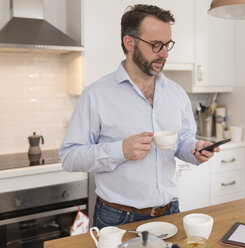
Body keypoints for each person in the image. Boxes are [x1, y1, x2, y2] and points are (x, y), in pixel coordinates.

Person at [59, 4, 219, 229]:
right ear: (129, 43)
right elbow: (69, 156)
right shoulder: (96, 94)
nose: (164, 53)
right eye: (156, 45)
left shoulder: (176, 93)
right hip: (117, 218)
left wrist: (196, 150)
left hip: (170, 211)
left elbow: (182, 141)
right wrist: (120, 150)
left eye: (167, 45)